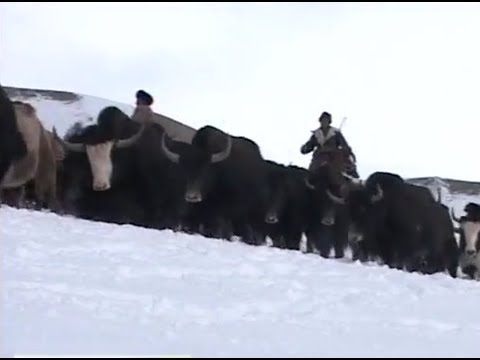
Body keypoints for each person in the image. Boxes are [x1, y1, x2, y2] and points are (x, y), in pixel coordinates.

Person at [300, 111, 359, 177]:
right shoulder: (316, 134)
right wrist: (304, 148)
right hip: (320, 158)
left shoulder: (336, 133)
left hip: (334, 158)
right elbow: (309, 146)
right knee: (311, 174)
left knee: (346, 170)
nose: (324, 122)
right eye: (323, 120)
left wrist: (348, 153)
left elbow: (344, 145)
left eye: (326, 120)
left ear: (329, 121)